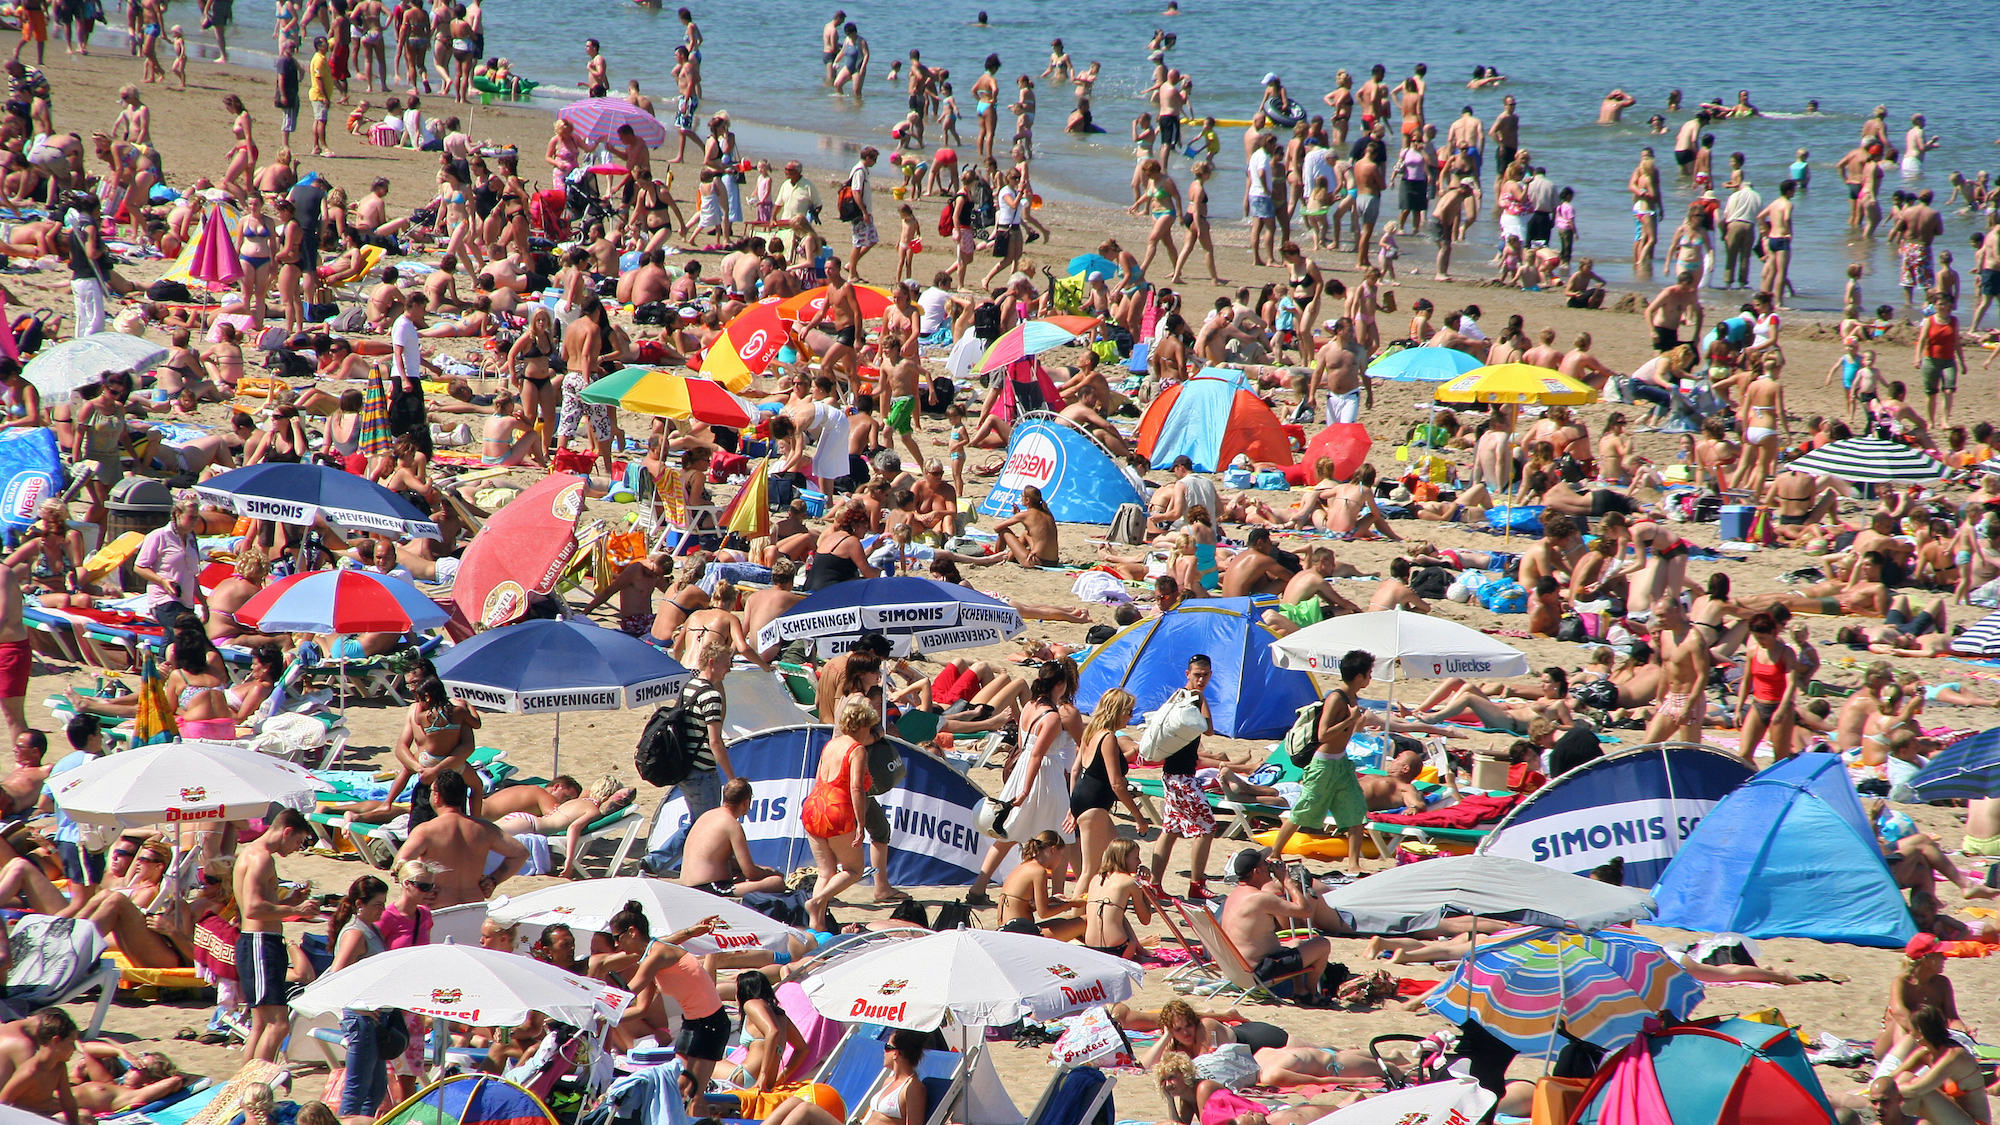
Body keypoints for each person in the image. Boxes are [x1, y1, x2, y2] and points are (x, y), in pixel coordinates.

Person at [970, 661, 1080, 903]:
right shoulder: (1051, 716)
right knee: (1060, 835)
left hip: (1022, 769)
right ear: (1059, 685)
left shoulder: (1030, 705)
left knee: (1008, 833)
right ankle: (1057, 893)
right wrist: (1026, 790)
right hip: (1044, 775)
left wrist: (1021, 786)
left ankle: (978, 888)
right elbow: (1039, 755)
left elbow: (1023, 745)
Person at [1270, 650, 1373, 874]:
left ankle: (1354, 863)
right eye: (1368, 674)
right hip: (1323, 764)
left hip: (1342, 763)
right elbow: (1323, 734)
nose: (1370, 678)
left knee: (1356, 811)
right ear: (1358, 677)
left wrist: (1357, 722)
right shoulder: (1336, 697)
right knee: (1303, 810)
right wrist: (1352, 719)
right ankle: (1275, 853)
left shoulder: (1353, 698)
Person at [233, 808, 318, 1063]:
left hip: (256, 943)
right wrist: (296, 909)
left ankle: (244, 1088)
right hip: (260, 944)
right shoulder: (262, 858)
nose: (296, 848)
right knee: (279, 1025)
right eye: (297, 842)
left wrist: (290, 901)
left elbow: (258, 904)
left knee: (261, 1025)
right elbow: (253, 908)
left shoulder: (250, 852)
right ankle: (256, 1084)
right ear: (287, 831)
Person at [1219, 847, 1333, 1005]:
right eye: (1265, 863)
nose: (1269, 865)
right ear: (1257, 871)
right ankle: (1312, 993)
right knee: (1322, 944)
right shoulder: (1260, 898)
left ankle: (1300, 991)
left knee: (1295, 943)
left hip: (1237, 969)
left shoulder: (1234, 896)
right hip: (1259, 971)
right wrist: (1287, 882)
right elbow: (1305, 911)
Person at [394, 770, 526, 906]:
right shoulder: (485, 829)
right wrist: (494, 879)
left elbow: (399, 864)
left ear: (436, 797)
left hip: (438, 907)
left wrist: (420, 890)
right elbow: (520, 853)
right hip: (474, 906)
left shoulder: (426, 831)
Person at [801, 694, 876, 931]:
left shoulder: (830, 744)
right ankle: (818, 902)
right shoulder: (857, 749)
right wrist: (861, 823)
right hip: (836, 811)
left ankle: (817, 925)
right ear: (862, 726)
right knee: (854, 870)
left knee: (826, 871)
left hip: (813, 806)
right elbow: (855, 787)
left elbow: (819, 778)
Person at [326, 874, 396, 1119]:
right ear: (360, 905)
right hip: (361, 1020)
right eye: (378, 904)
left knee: (375, 1091)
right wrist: (358, 1005)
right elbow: (336, 974)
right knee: (356, 1092)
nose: (383, 909)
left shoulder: (369, 929)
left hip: (373, 1020)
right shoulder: (356, 933)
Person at [1068, 688, 1150, 888]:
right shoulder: (1108, 738)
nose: (1131, 716)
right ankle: (1073, 914)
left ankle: (1112, 895)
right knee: (1089, 870)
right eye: (1129, 711)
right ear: (1117, 711)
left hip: (1084, 798)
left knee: (1119, 856)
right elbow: (1117, 783)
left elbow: (1076, 769)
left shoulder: (1091, 732)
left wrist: (1073, 805)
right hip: (1094, 805)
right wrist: (1138, 817)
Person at [762, 1029, 929, 1125]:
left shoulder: (913, 1088)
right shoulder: (888, 1081)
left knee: (806, 1110)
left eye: (887, 1047)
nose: (882, 1051)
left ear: (896, 1053)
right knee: (795, 1101)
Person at [680, 777, 786, 895]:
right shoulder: (732, 825)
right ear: (746, 802)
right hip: (709, 888)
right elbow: (750, 873)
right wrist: (769, 873)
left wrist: (759, 868)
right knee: (776, 882)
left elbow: (718, 857)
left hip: (687, 885)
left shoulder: (707, 815)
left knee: (739, 874)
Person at [735, 970, 808, 1092]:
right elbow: (803, 1049)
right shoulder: (781, 1016)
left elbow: (772, 1031)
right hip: (769, 1083)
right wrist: (780, 1077)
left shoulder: (751, 1004)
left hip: (748, 1076)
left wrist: (762, 1075)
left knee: (700, 1063)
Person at [1081, 838, 1152, 959]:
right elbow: (1145, 919)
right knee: (1116, 912)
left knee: (1114, 911)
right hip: (1120, 948)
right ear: (1123, 858)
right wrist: (1144, 885)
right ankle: (1140, 949)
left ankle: (1140, 949)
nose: (1139, 862)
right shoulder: (1130, 882)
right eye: (1136, 857)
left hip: (1091, 947)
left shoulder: (1095, 879)